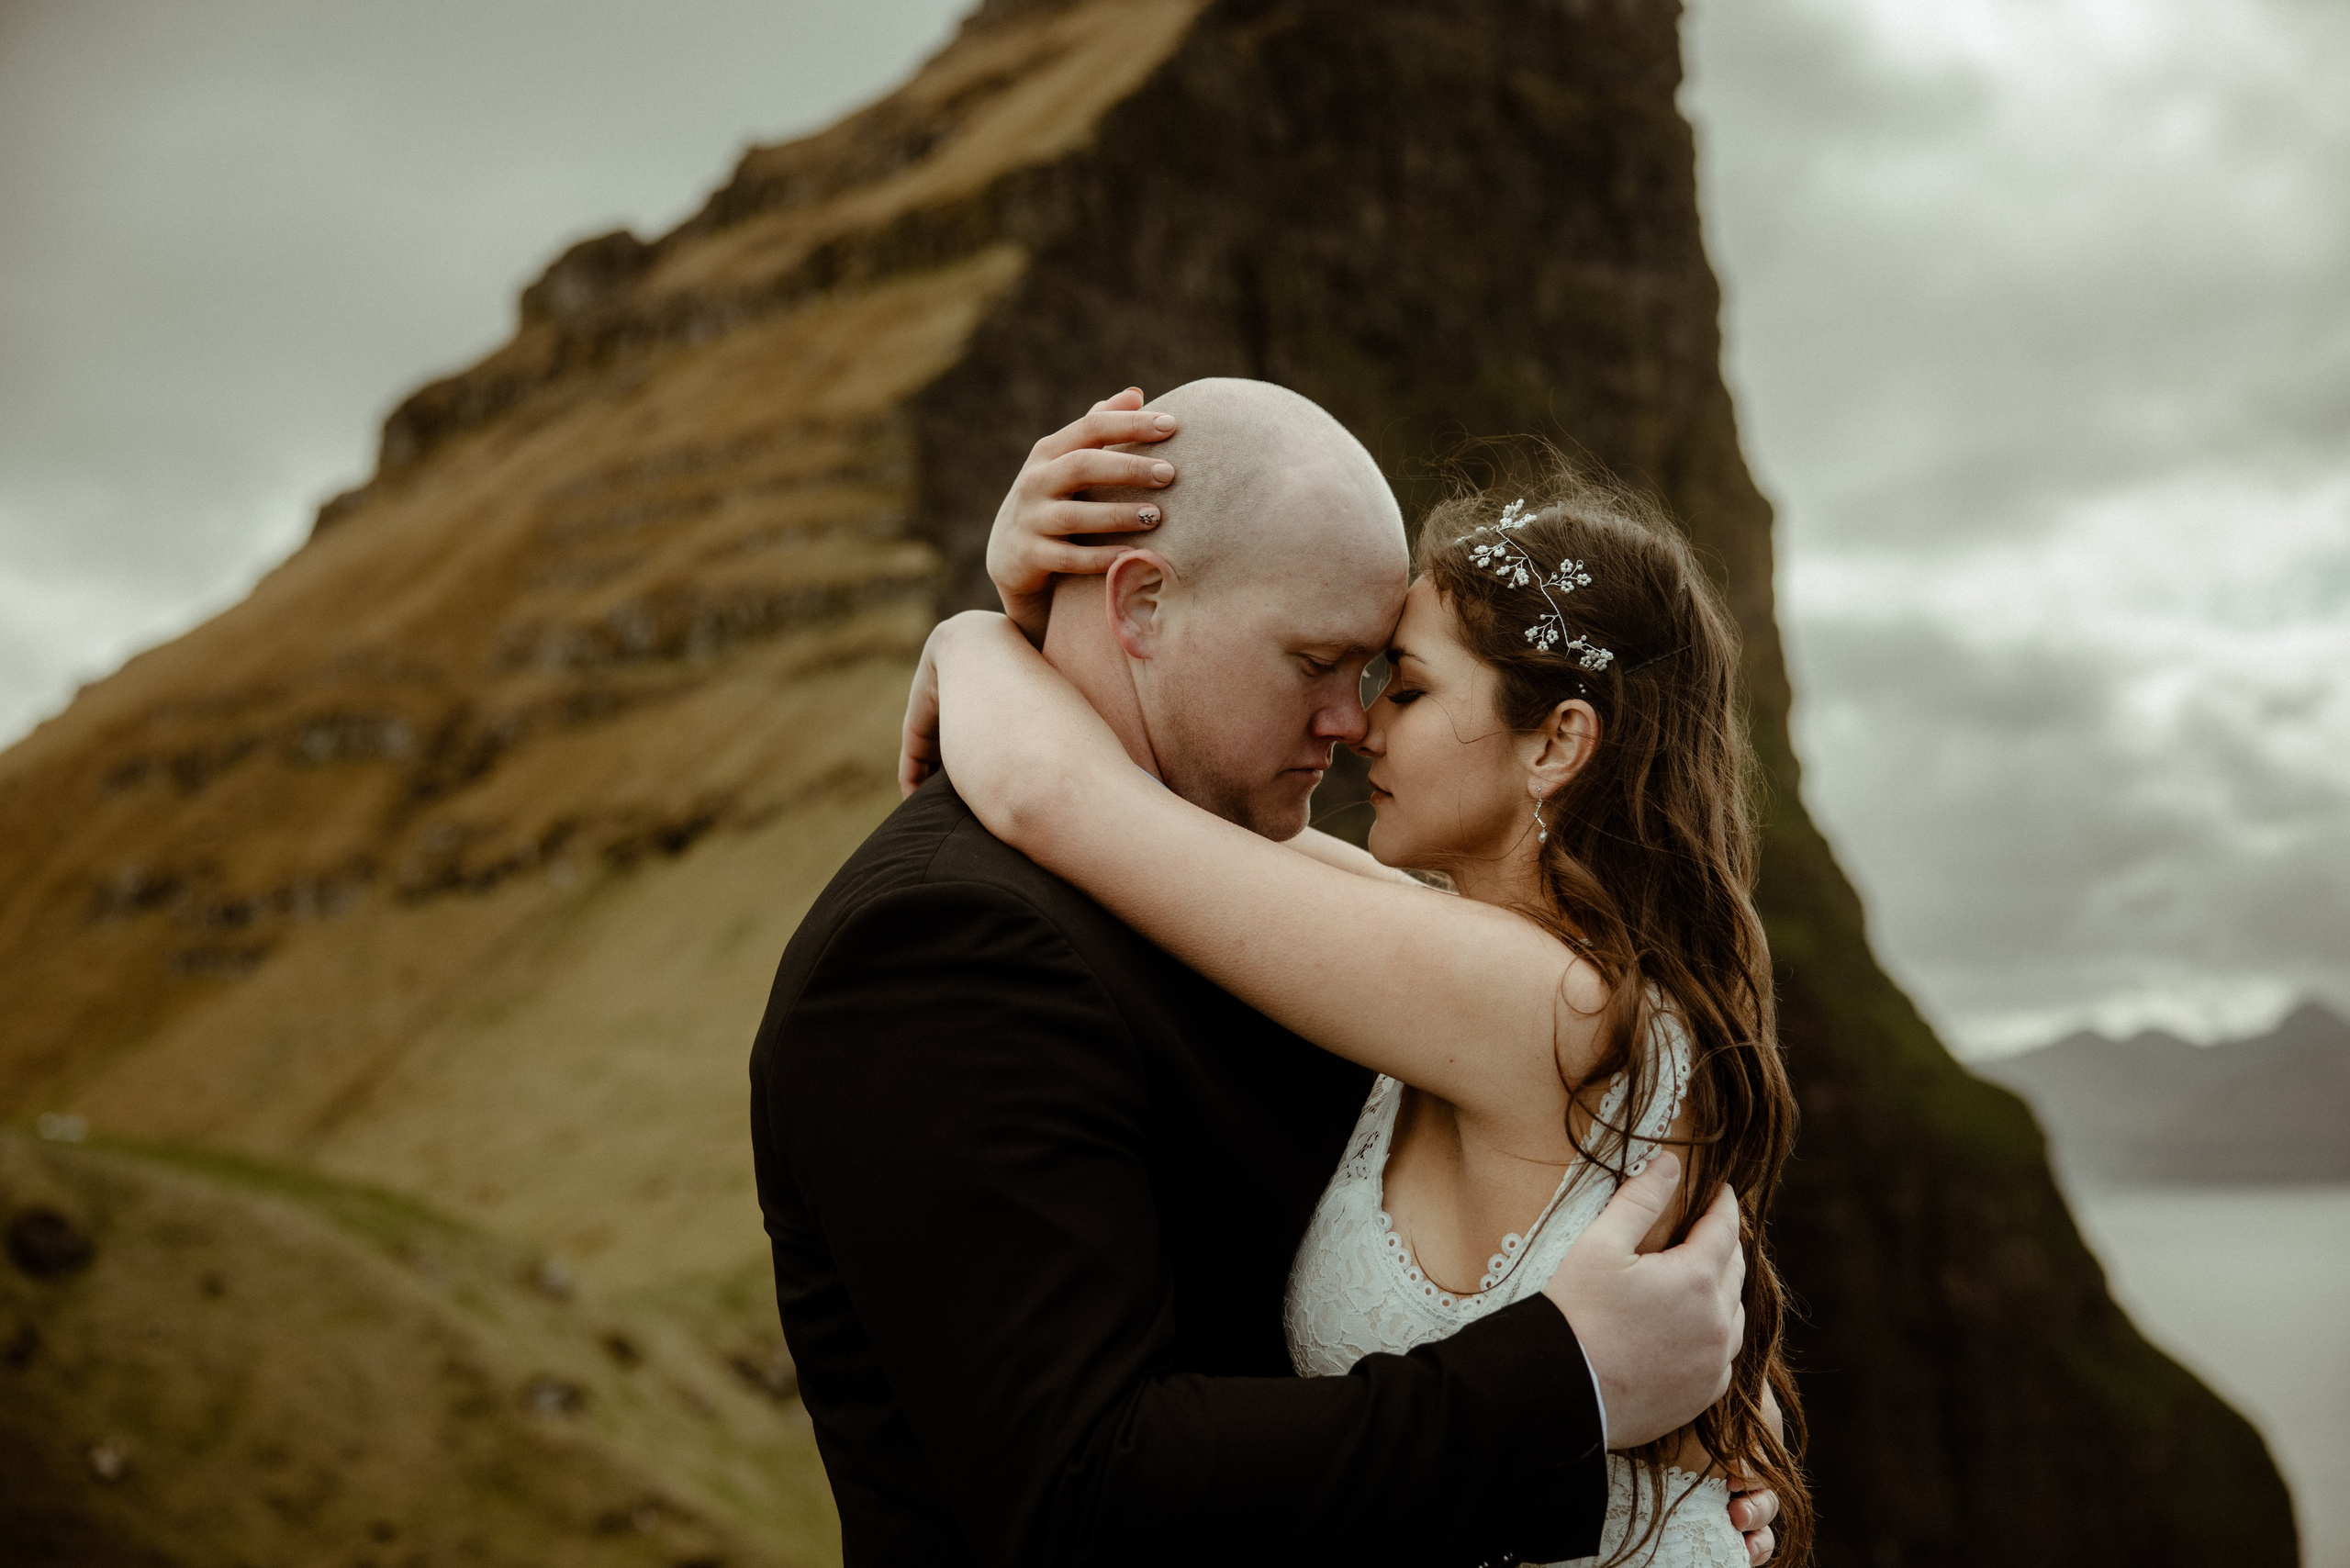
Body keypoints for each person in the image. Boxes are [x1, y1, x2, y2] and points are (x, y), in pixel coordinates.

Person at [749, 378, 1780, 1568]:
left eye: (1389, 677)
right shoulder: (938, 947)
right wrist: (1574, 1387)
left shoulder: (1320, 912)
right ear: (1140, 604)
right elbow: (1080, 1498)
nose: (1354, 722)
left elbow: (1064, 795)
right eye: (1321, 663)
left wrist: (984, 640)